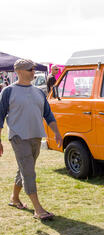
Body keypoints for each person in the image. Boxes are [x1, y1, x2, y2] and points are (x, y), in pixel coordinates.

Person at [0, 59, 63, 221]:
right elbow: (0, 116)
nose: (33, 72)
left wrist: (57, 133)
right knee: (29, 171)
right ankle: (38, 209)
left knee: (24, 168)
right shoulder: (8, 91)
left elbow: (48, 114)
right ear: (19, 71)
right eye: (30, 69)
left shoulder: (38, 92)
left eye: (34, 69)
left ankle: (14, 198)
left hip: (36, 136)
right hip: (18, 137)